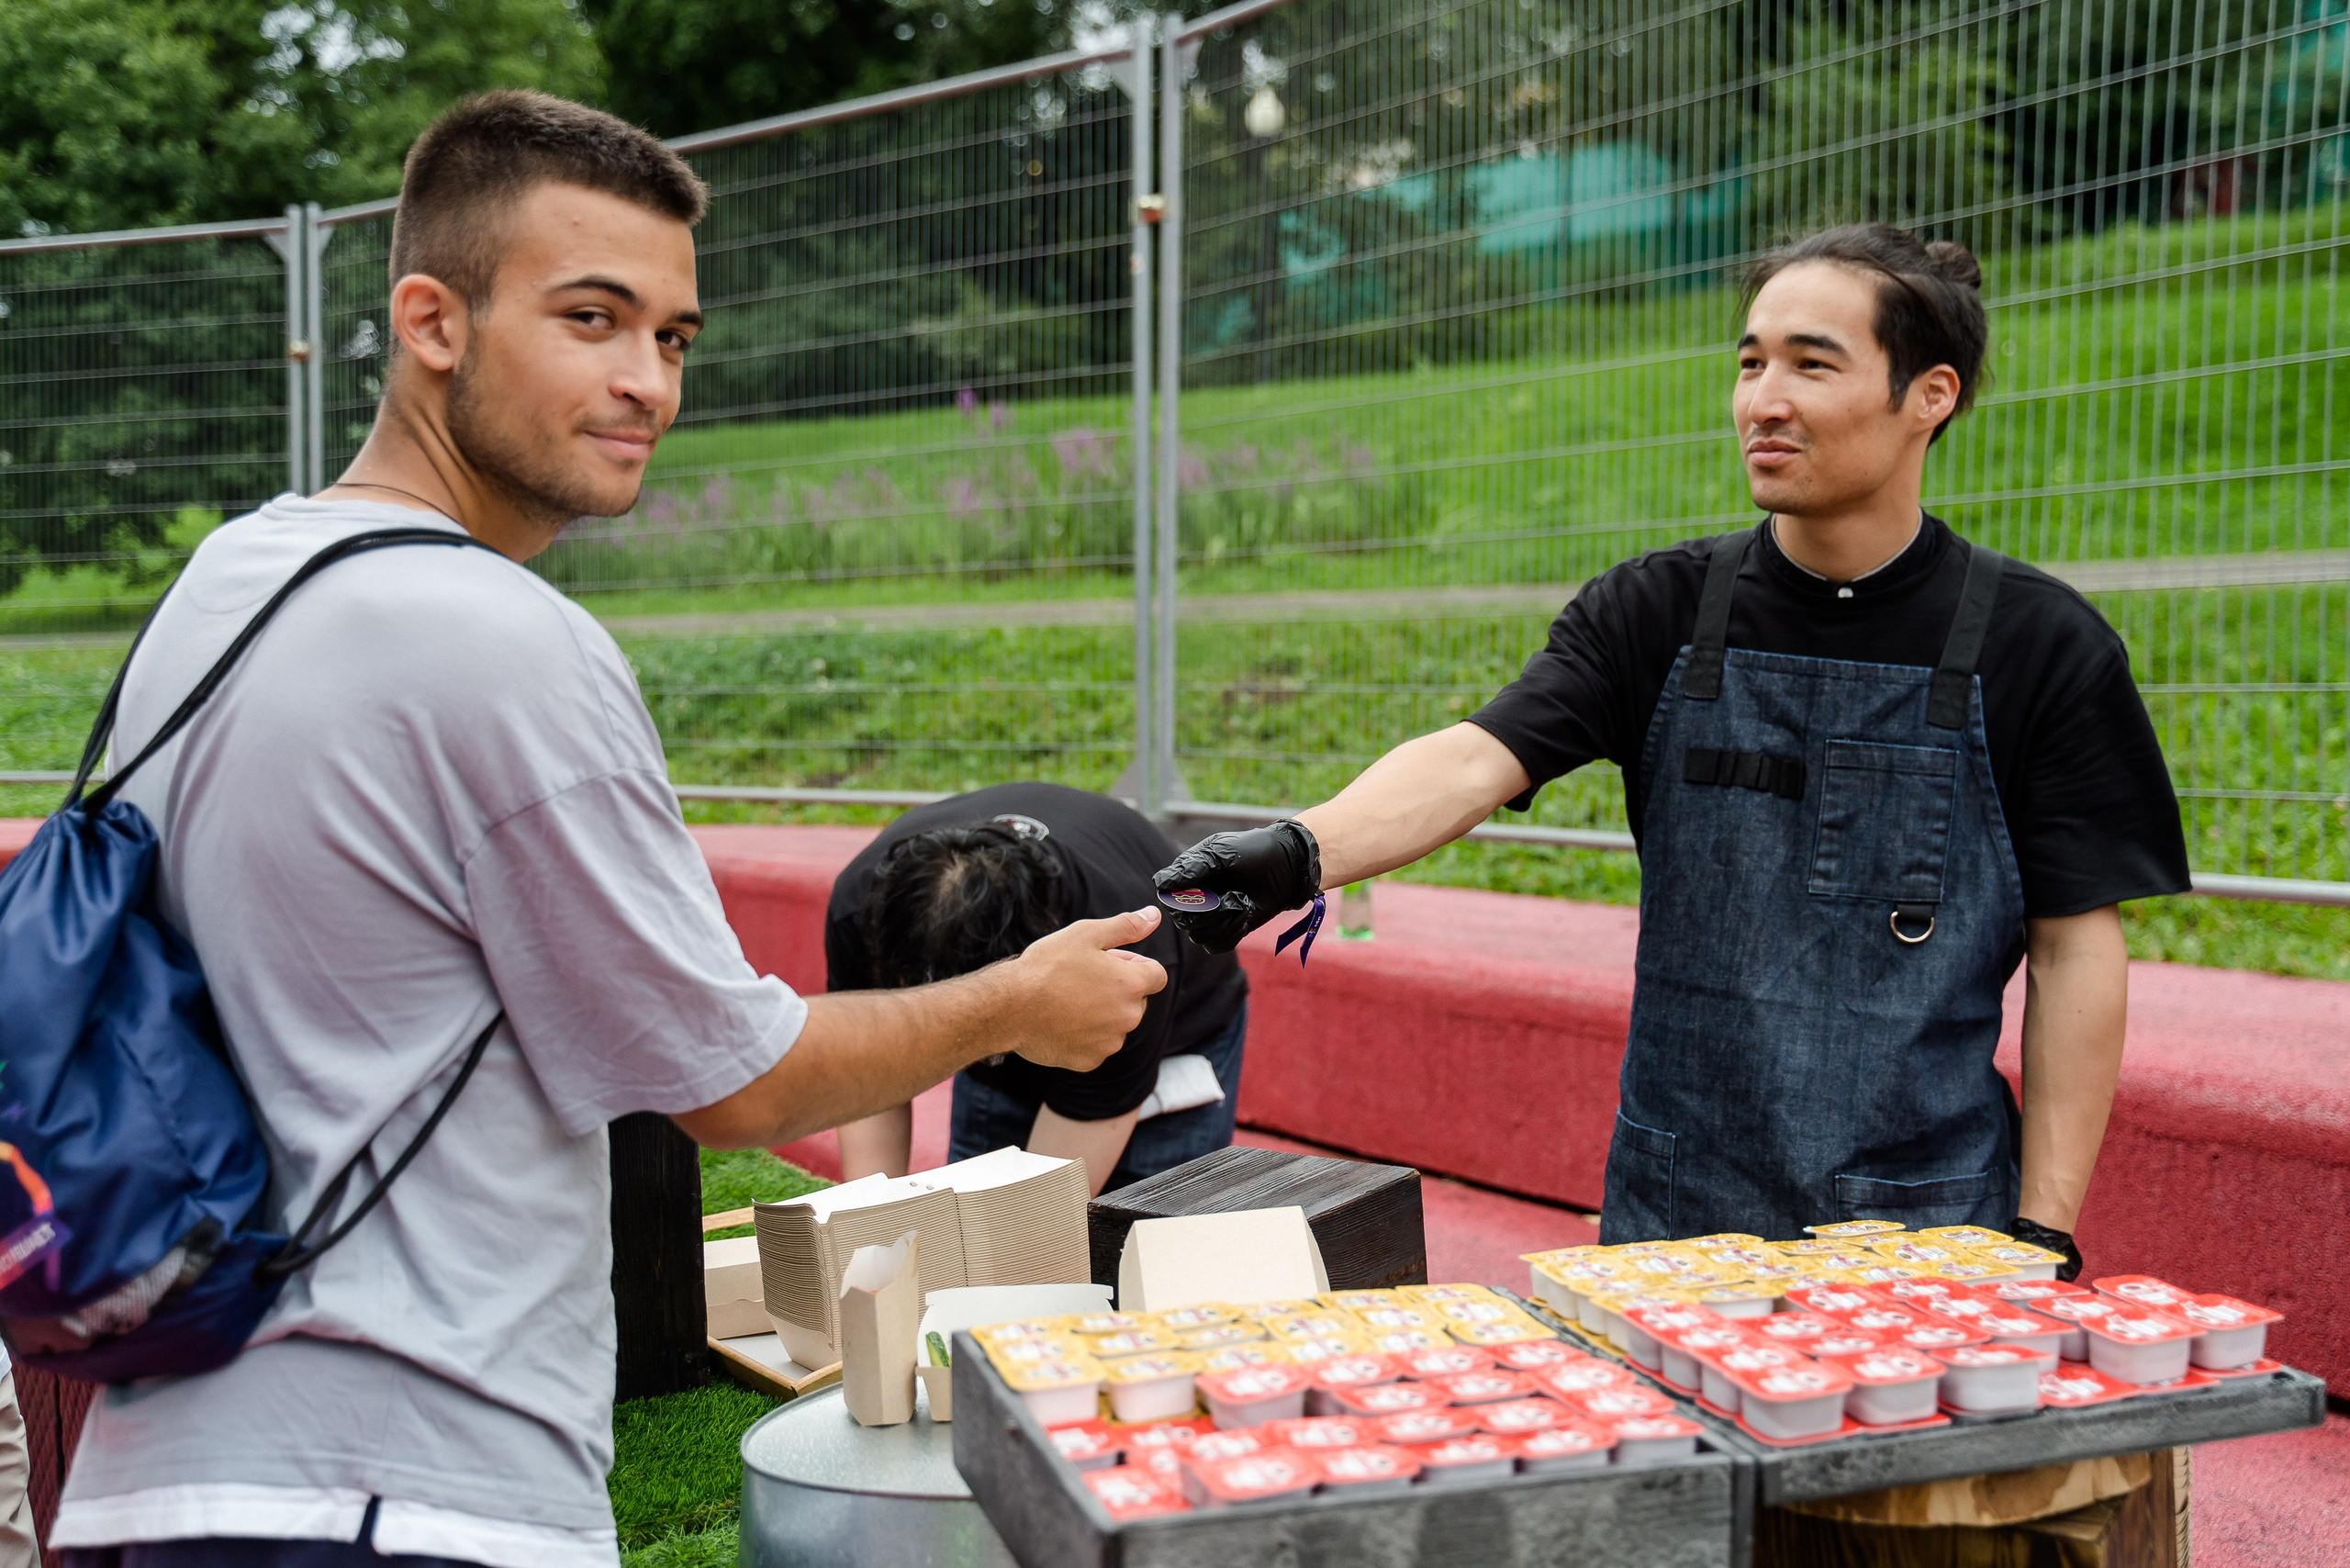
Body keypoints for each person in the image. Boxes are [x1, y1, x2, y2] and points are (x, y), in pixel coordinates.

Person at [52, 92, 1164, 1568]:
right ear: (433, 321)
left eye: (675, 337)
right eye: (591, 318)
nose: (648, 379)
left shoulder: (233, 578)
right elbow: (726, 1079)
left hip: (180, 1456)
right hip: (403, 1488)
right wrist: (1019, 1002)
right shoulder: (500, 638)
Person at [1155, 224, 2189, 1273]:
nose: (1762, 400)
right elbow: (1475, 758)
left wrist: (2044, 1227)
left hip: (1924, 1226)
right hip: (1676, 1218)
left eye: (1810, 364)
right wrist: (1295, 850)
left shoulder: (2042, 647)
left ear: (1931, 394)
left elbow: (2074, 949)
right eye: (1751, 362)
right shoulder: (1654, 613)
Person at [825, 784, 1249, 1195]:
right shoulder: (860, 910)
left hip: (1175, 1031)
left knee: (1131, 1234)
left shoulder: (1125, 952)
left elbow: (1048, 1204)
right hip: (1022, 1015)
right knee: (971, 1217)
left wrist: (1021, 1253)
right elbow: (870, 1069)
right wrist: (870, 1224)